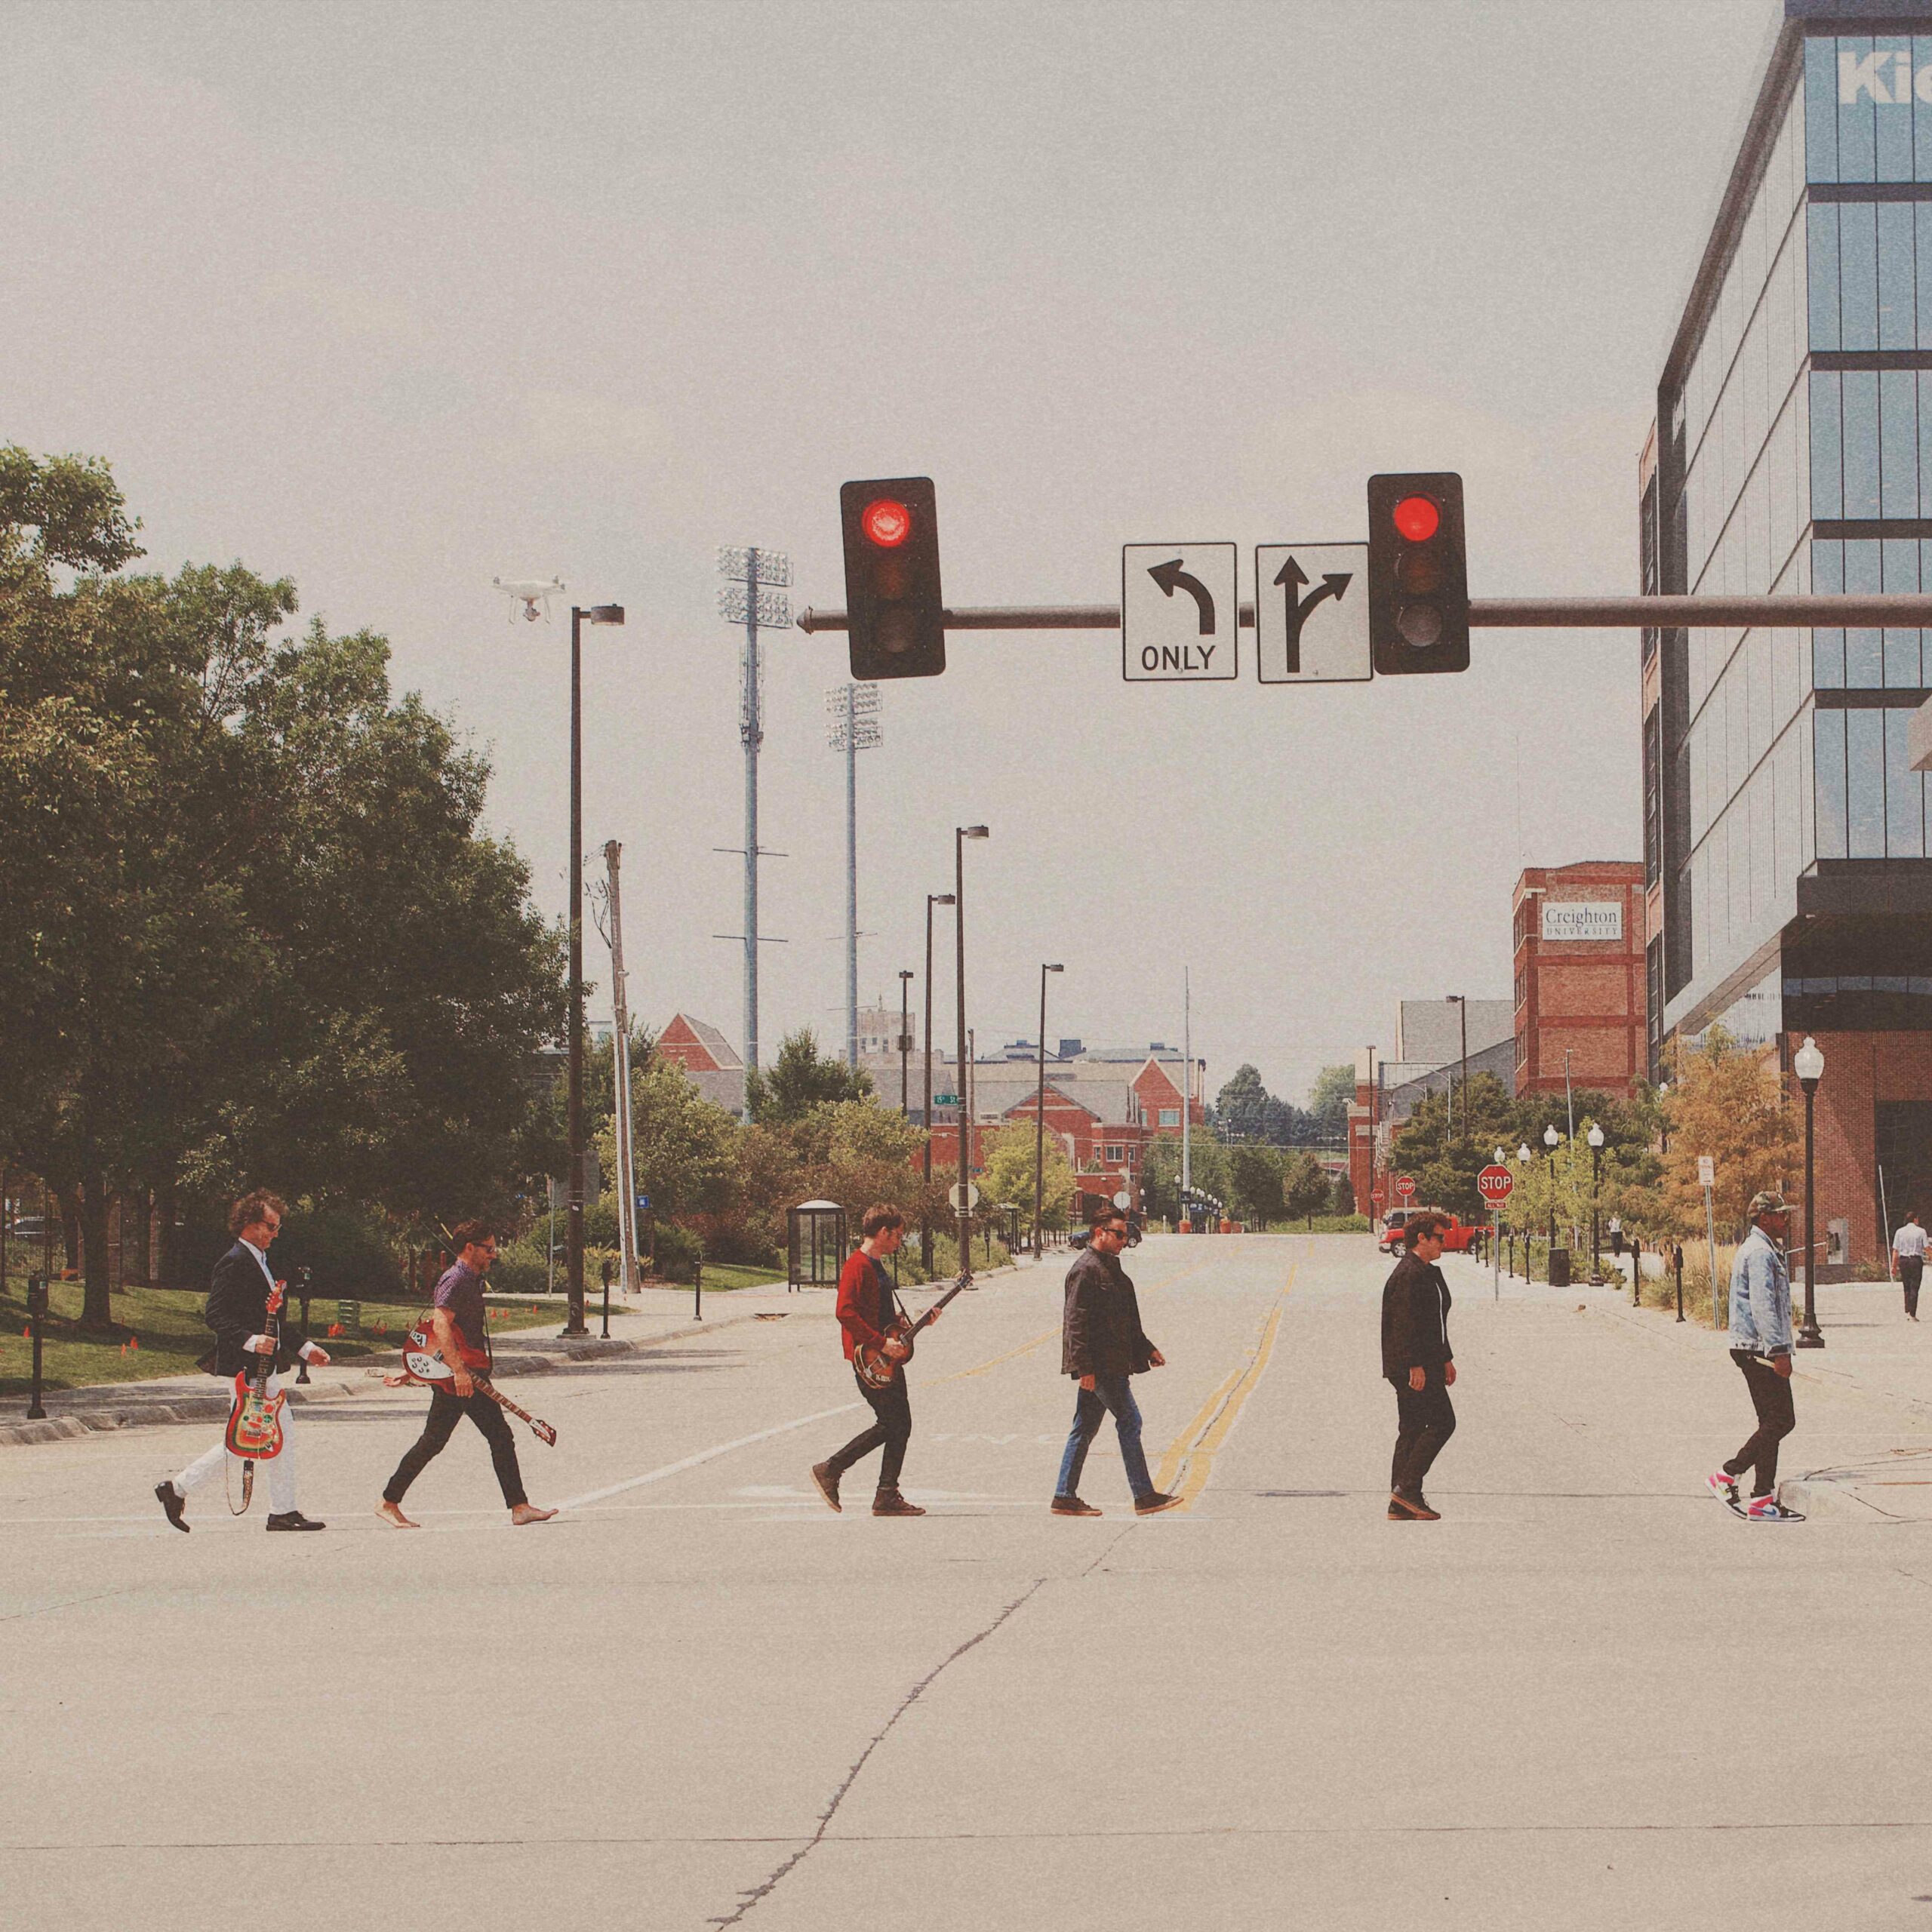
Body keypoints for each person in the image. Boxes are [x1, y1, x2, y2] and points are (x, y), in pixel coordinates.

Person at [155, 1190, 330, 1533]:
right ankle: (178, 1488)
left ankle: (281, 1510)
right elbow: (215, 1314)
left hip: (263, 1367)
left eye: (277, 1228)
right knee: (247, 1437)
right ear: (249, 1223)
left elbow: (274, 1320)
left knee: (272, 1434)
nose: (274, 1234)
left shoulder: (261, 1261)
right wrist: (251, 1341)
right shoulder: (234, 1261)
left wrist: (306, 1348)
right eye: (270, 1227)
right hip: (246, 1368)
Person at [377, 1222, 556, 1527]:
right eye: (489, 1248)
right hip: (460, 1379)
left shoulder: (471, 1279)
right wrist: (458, 1371)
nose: (493, 1254)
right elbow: (440, 1324)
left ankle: (519, 1506)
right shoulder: (456, 1279)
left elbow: (448, 1333)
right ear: (470, 1248)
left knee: (483, 1437)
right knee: (451, 1439)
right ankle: (388, 1502)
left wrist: (421, 1370)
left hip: (468, 1374)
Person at [1051, 1208, 1181, 1518]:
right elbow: (1075, 1324)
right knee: (1130, 1421)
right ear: (1100, 1233)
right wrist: (1085, 1369)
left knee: (1084, 1428)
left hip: (1113, 1363)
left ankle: (1064, 1496)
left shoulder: (1111, 1269)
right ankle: (1144, 1495)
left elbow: (1125, 1321)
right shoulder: (1085, 1271)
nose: (1124, 1240)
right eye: (1119, 1234)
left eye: (1126, 1235)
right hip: (1101, 1366)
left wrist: (1147, 1348)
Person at [811, 1205, 931, 1518]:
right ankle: (832, 1468)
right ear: (883, 1232)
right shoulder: (858, 1265)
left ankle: (886, 1494)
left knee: (899, 1424)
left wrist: (904, 1323)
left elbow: (879, 1314)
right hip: (870, 1360)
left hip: (887, 1357)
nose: (899, 1242)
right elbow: (845, 1312)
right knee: (893, 1423)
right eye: (897, 1235)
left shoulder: (876, 1265)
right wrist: (880, 1343)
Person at [1706, 1190, 1805, 1523]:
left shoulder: (1760, 1248)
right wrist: (1779, 1352)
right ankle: (1728, 1474)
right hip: (1759, 1349)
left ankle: (1763, 1497)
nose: (1785, 1219)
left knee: (1771, 1423)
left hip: (1753, 1347)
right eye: (1780, 1214)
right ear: (1764, 1218)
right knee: (1782, 1421)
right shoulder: (1761, 1253)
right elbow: (1763, 1307)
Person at [1381, 1211, 1457, 1520]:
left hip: (1428, 1362)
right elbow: (1403, 1325)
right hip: (1413, 1366)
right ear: (1421, 1238)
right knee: (1443, 1423)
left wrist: (1446, 1357)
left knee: (1411, 1429)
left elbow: (1434, 1321)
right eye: (1439, 1237)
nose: (1443, 1243)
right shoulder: (1408, 1275)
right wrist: (1414, 1365)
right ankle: (1407, 1490)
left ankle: (1400, 1502)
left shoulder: (1426, 1272)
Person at [1894, 1211, 1927, 1321]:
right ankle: (1912, 1314)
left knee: (1906, 1286)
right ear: (1915, 1219)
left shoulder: (1899, 1232)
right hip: (1915, 1260)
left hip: (1903, 1261)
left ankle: (1907, 1310)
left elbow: (1895, 1250)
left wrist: (1894, 1266)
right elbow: (1927, 1247)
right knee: (1914, 1287)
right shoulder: (1921, 1231)